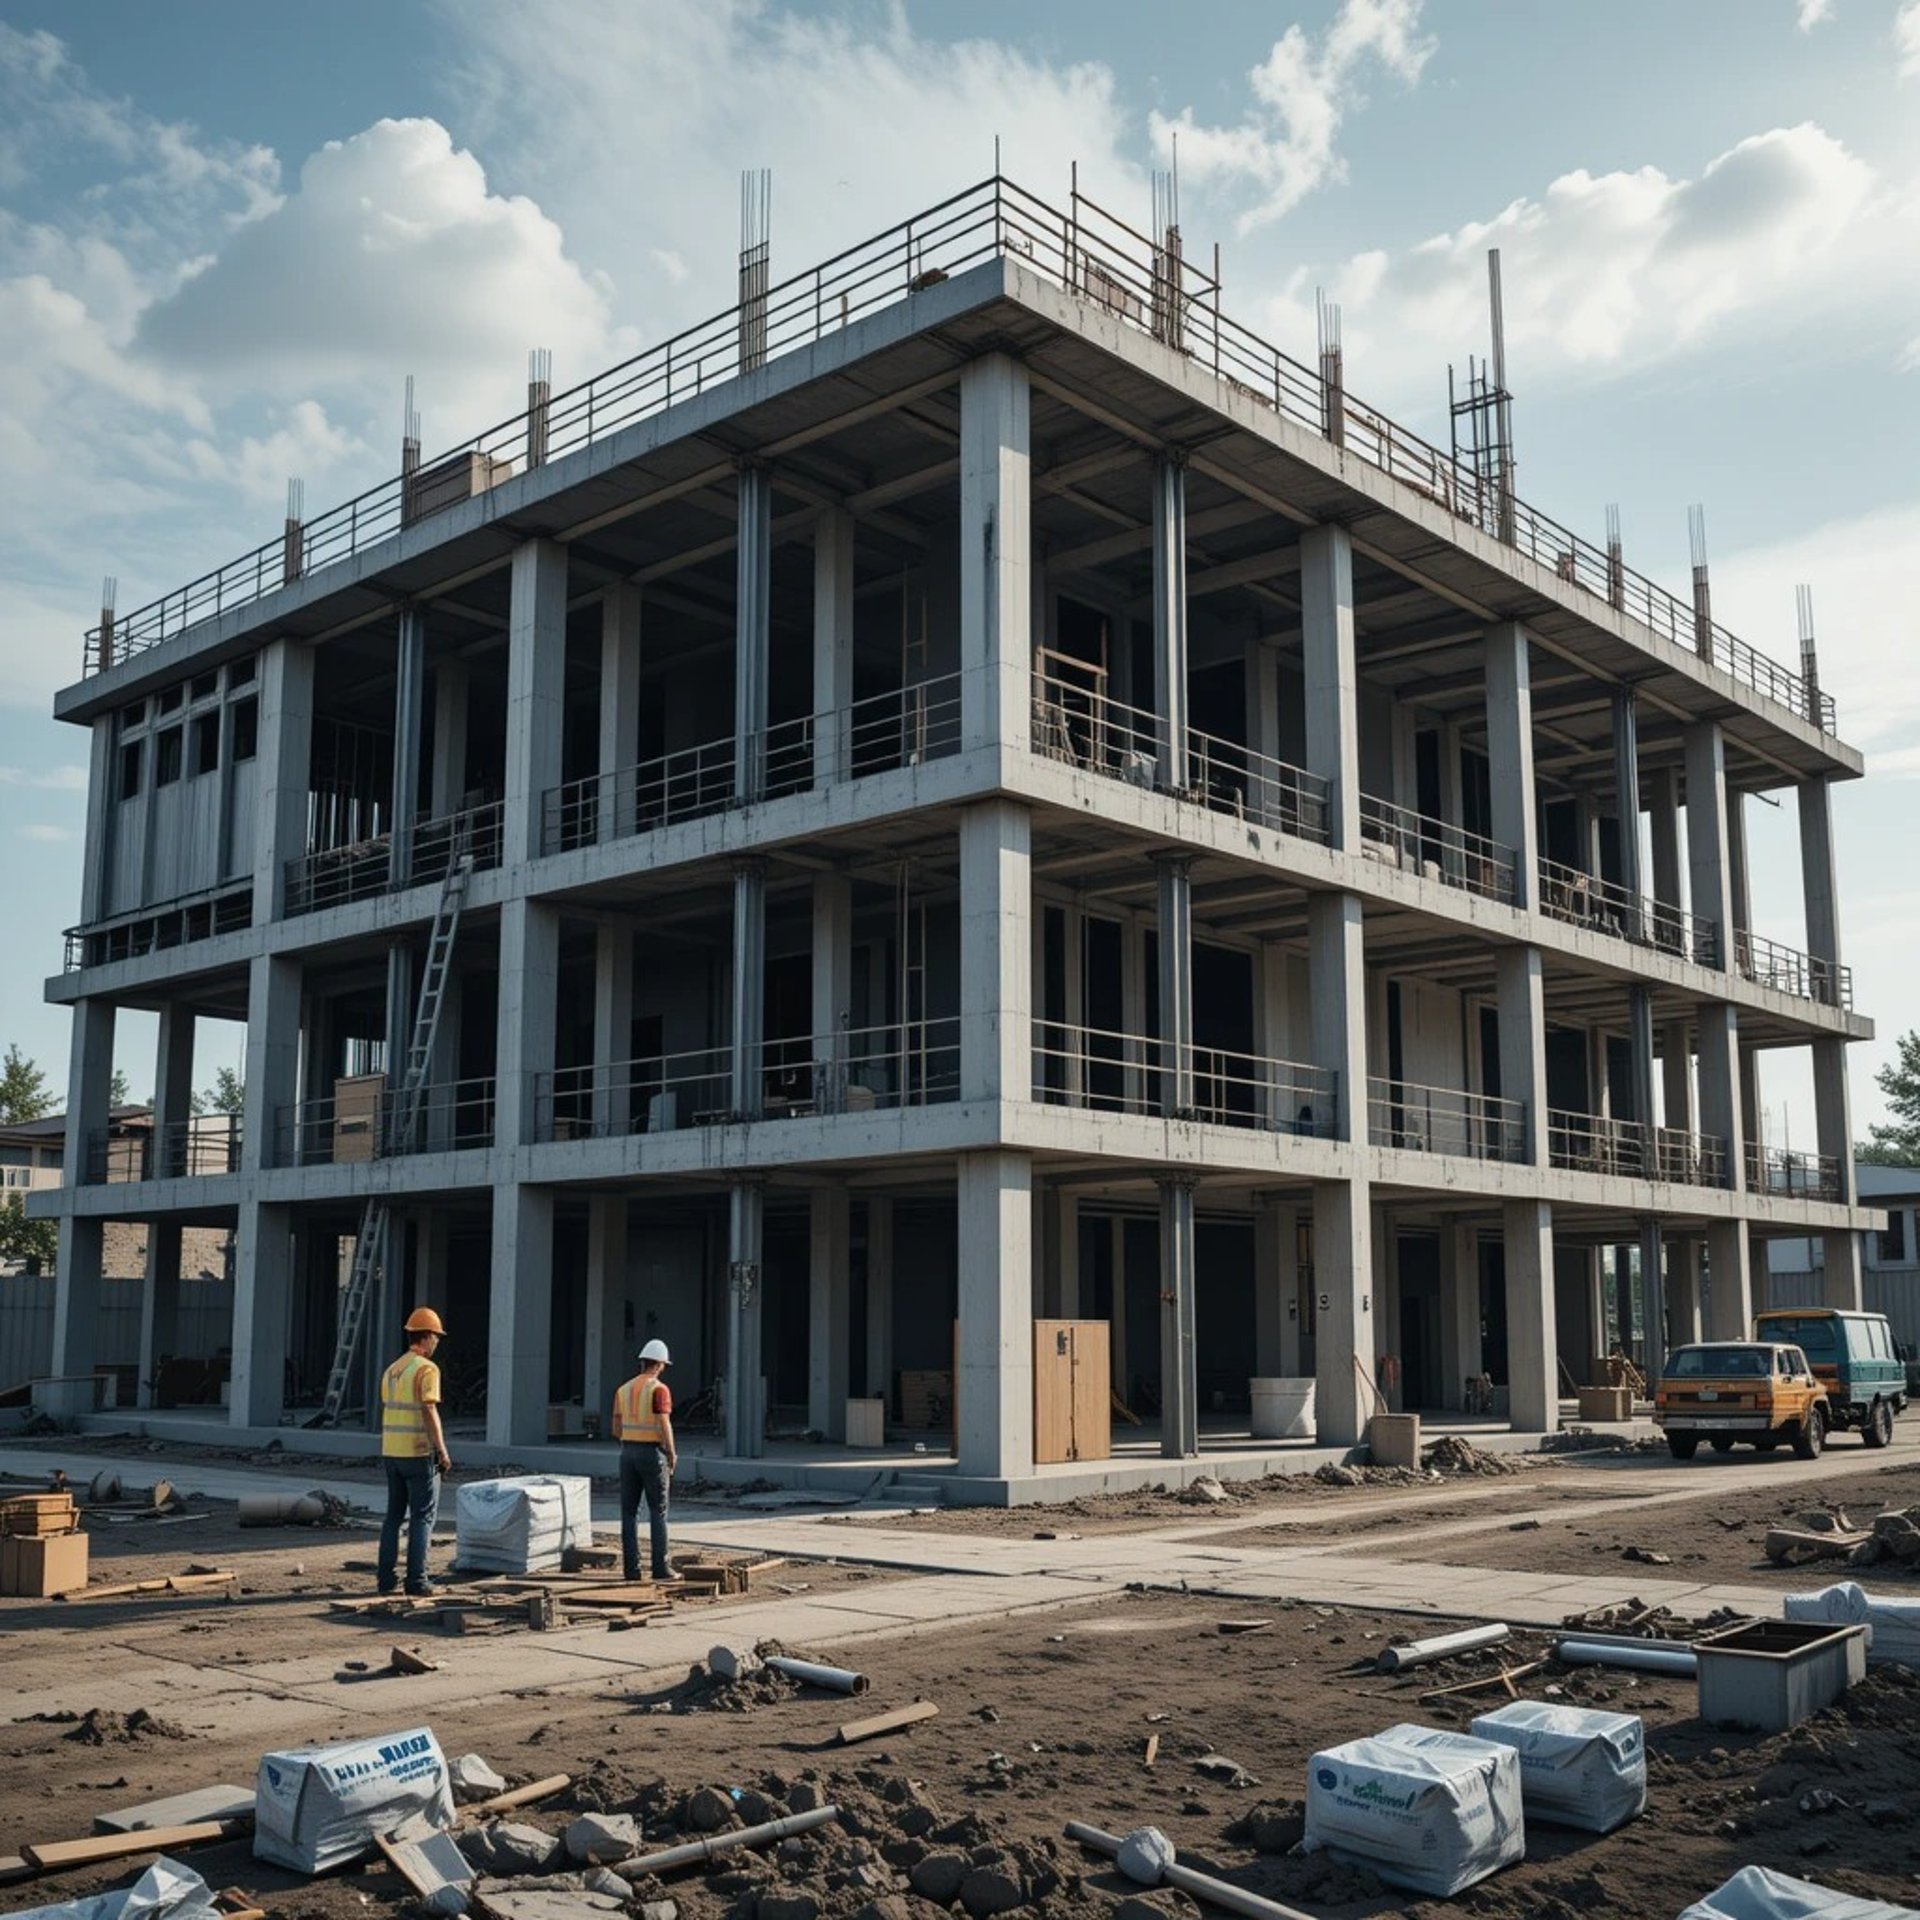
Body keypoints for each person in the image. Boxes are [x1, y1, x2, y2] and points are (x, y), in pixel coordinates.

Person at [376, 1307, 453, 1597]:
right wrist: (442, 1451)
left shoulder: (393, 1369)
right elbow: (428, 1409)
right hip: (418, 1453)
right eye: (436, 1338)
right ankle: (417, 1581)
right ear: (429, 1336)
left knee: (393, 1517)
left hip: (391, 1453)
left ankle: (385, 1580)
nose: (437, 1343)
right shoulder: (426, 1369)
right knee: (422, 1517)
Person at [613, 1337, 678, 1583]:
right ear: (660, 1364)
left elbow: (616, 1427)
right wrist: (671, 1452)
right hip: (652, 1454)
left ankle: (632, 1570)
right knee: (658, 1510)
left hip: (627, 1452)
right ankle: (660, 1567)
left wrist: (629, 1443)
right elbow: (664, 1423)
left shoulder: (623, 1389)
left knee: (629, 1512)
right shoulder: (659, 1389)